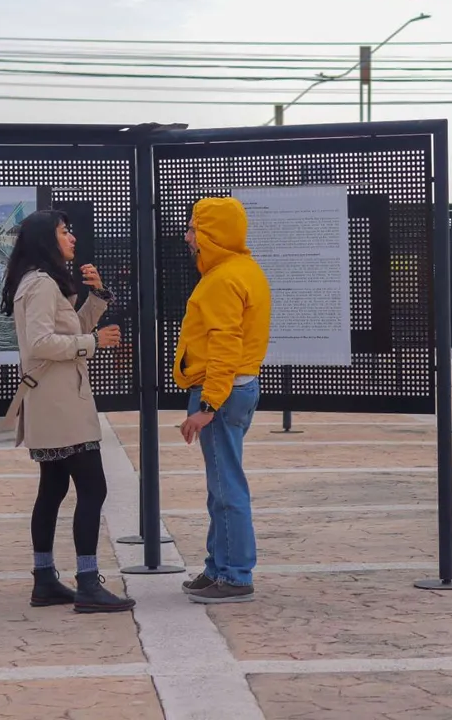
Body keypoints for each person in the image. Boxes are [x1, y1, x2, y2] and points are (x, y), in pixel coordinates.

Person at [0, 209, 136, 614]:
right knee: (93, 488)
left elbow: (66, 330)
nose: (72, 238)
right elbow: (42, 343)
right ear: (47, 239)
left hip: (54, 401)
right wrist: (95, 342)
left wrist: (97, 299)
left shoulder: (40, 283)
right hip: (60, 403)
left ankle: (45, 581)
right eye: (64, 232)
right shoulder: (41, 284)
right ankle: (88, 583)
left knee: (55, 489)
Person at [172, 197, 271, 604]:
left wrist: (207, 407)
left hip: (222, 394)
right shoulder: (244, 271)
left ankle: (234, 575)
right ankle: (218, 567)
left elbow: (224, 345)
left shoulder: (221, 280)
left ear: (212, 234)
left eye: (195, 229)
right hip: (239, 388)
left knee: (226, 486)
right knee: (221, 485)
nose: (188, 237)